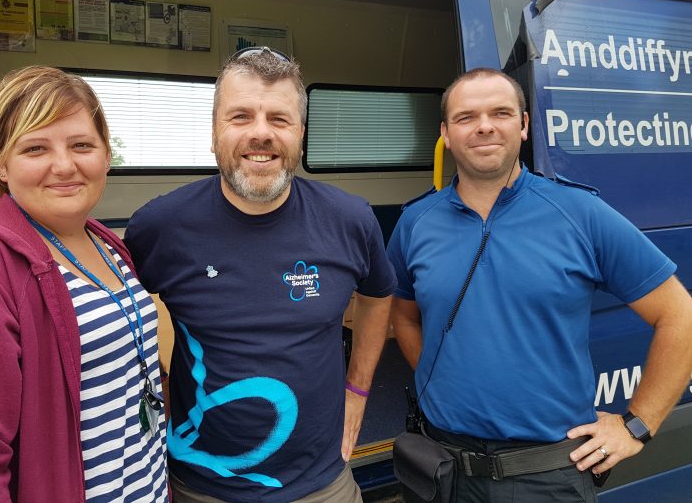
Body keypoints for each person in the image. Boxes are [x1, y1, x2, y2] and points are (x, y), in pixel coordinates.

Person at [386, 68, 692, 502]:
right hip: (442, 469)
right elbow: (404, 317)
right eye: (466, 117)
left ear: (525, 125)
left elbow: (679, 314)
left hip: (546, 476)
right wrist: (445, 382)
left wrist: (637, 425)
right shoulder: (416, 221)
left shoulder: (580, 212)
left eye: (501, 112)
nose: (485, 126)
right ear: (446, 134)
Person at [125, 47, 396, 503]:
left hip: (322, 484)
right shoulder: (159, 227)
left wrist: (357, 390)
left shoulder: (350, 220)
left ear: (300, 135)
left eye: (279, 119)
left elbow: (378, 296)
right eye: (240, 116)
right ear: (214, 133)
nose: (260, 133)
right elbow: (118, 320)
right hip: (199, 487)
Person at [0, 66, 168, 502]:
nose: (63, 165)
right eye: (35, 148)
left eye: (81, 145)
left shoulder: (105, 242)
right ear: (0, 162)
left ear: (106, 155)